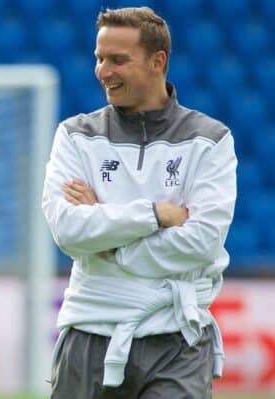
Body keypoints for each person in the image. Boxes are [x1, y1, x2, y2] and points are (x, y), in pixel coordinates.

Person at [42, 7, 236, 399]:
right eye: (99, 59)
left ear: (157, 62)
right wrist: (154, 215)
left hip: (176, 342)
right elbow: (67, 231)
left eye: (118, 60)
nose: (103, 71)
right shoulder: (75, 135)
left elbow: (201, 243)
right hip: (89, 333)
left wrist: (110, 240)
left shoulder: (211, 140)